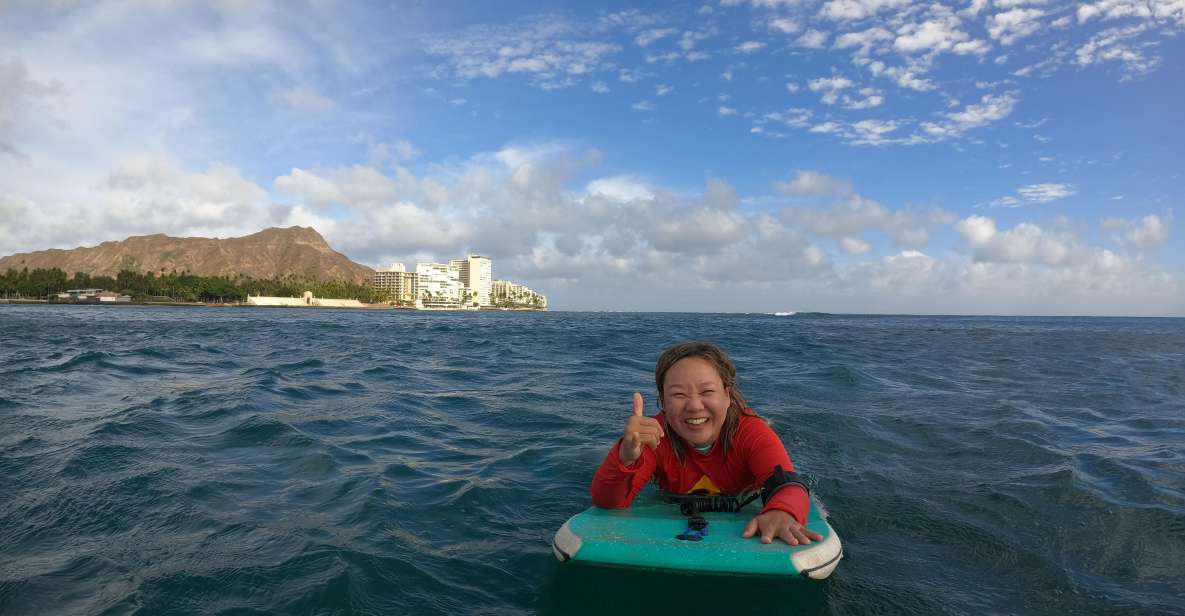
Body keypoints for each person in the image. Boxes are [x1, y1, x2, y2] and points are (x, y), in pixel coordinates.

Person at [590, 341, 822, 546]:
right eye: (678, 395)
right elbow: (609, 502)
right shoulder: (654, 437)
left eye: (707, 391)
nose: (694, 406)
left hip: (743, 501)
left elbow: (787, 485)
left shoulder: (752, 433)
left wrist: (781, 511)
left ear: (727, 395)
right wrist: (625, 458)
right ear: (663, 401)